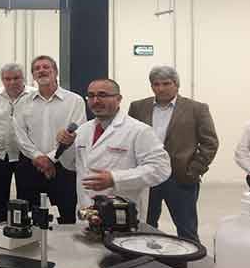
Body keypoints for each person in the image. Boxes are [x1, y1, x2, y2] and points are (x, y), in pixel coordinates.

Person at [128, 66, 218, 242]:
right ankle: (147, 257)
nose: (161, 88)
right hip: (147, 176)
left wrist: (194, 169)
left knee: (186, 229)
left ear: (176, 85)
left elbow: (210, 142)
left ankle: (190, 259)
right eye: (156, 84)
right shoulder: (138, 107)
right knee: (145, 225)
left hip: (180, 178)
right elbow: (129, 137)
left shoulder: (196, 109)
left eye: (166, 84)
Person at [60, 78, 171, 212]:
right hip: (87, 210)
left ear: (118, 99)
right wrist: (66, 146)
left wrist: (115, 179)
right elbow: (70, 164)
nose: (95, 101)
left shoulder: (139, 131)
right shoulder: (83, 130)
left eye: (102, 95)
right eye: (91, 96)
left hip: (122, 212)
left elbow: (161, 168)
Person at [14, 56, 86, 223]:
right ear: (33, 75)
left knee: (66, 215)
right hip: (31, 166)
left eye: (46, 67)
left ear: (56, 72)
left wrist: (51, 159)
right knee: (29, 216)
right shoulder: (22, 102)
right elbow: (20, 134)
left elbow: (78, 132)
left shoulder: (74, 101)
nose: (41, 70)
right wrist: (38, 157)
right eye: (37, 68)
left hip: (64, 167)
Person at [0, 63, 34, 223]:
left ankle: (24, 227)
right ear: (2, 80)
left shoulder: (33, 95)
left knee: (27, 196)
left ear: (23, 78)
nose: (12, 82)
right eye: (7, 79)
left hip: (25, 154)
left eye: (16, 78)